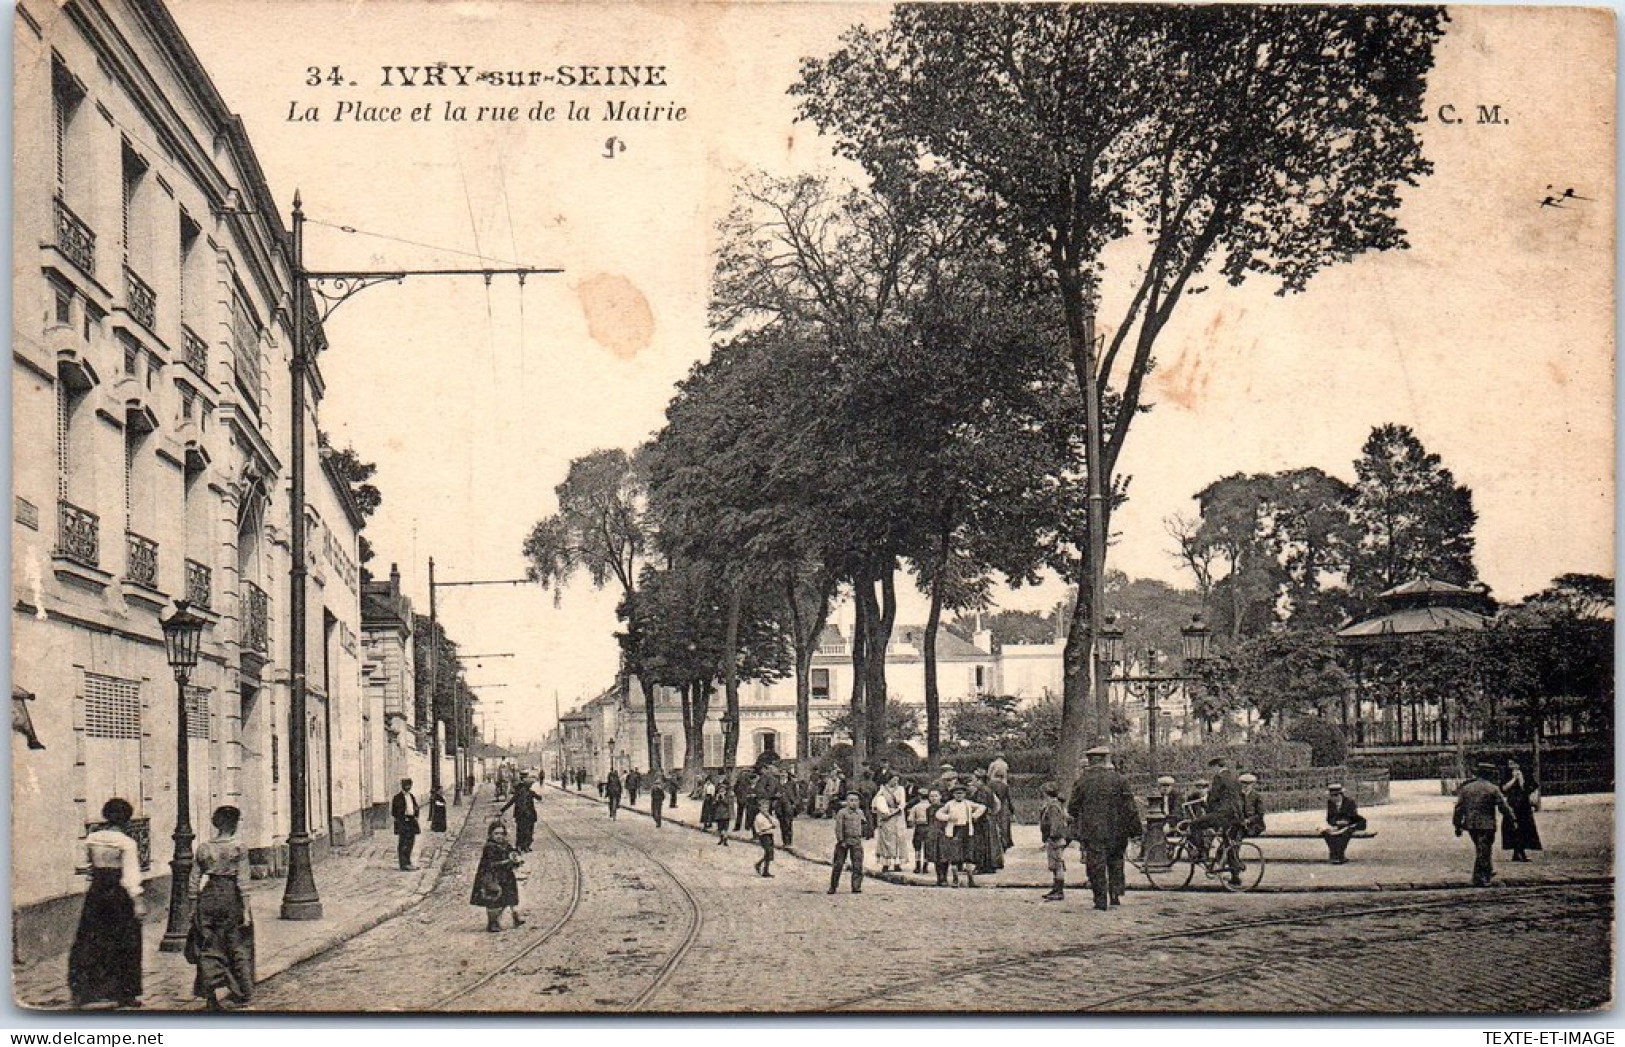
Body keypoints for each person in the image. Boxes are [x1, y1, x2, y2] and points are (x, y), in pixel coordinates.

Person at [68, 798, 144, 1010]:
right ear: (126, 819)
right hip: (118, 894)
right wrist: (137, 901)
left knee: (92, 939)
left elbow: (83, 865)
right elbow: (130, 875)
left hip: (97, 892)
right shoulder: (127, 843)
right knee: (125, 942)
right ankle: (124, 994)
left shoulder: (92, 839)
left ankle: (87, 991)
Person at [187, 805, 254, 1011]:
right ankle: (241, 992)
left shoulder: (204, 847)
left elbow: (194, 880)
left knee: (208, 945)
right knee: (236, 943)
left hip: (208, 896)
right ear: (233, 824)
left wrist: (192, 906)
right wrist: (246, 909)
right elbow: (243, 881)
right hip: (230, 896)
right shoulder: (238, 847)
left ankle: (210, 994)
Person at [1068, 746, 1141, 910]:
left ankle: (1100, 900)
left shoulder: (1082, 781)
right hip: (1117, 830)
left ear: (1090, 761)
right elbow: (1131, 808)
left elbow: (1072, 807)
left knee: (1096, 864)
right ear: (1105, 760)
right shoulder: (1119, 779)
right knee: (1115, 861)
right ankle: (1115, 895)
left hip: (1093, 831)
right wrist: (1136, 831)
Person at [1456, 761, 1516, 887]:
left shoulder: (1467, 788)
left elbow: (1459, 808)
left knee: (1481, 849)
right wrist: (1512, 819)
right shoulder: (1492, 789)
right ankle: (1479, 878)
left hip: (1471, 825)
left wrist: (1457, 825)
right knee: (1484, 850)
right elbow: (1503, 807)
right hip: (1487, 825)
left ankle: (1488, 871)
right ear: (1489, 775)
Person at [1186, 758, 1242, 881]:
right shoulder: (1234, 777)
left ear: (1217, 766)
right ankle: (1235, 876)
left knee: (1195, 824)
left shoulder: (1219, 778)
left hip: (1222, 814)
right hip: (1235, 816)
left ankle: (1201, 852)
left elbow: (1213, 798)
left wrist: (1207, 805)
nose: (1211, 771)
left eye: (1212, 768)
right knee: (1228, 843)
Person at [470, 821, 525, 932]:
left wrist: (516, 858)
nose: (499, 836)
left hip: (506, 876)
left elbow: (512, 854)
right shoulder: (489, 847)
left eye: (501, 833)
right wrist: (507, 861)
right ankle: (492, 922)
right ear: (490, 834)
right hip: (492, 877)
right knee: (494, 900)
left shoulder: (506, 845)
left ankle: (515, 916)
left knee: (510, 897)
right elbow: (491, 864)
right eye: (496, 833)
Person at [934, 782, 988, 888]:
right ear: (953, 794)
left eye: (961, 793)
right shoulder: (950, 804)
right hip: (954, 831)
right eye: (957, 793)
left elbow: (982, 807)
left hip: (967, 830)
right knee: (955, 856)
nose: (959, 795)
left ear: (965, 794)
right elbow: (938, 814)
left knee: (968, 856)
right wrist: (948, 817)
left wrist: (974, 815)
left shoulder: (968, 803)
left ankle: (971, 879)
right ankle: (955, 879)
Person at [1501, 758, 1542, 862]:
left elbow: (1530, 787)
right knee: (1513, 828)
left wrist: (1521, 780)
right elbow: (1503, 788)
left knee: (1524, 827)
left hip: (1523, 804)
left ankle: (1521, 851)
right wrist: (1514, 779)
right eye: (1509, 764)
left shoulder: (1526, 774)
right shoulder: (1506, 775)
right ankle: (1517, 851)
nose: (1510, 765)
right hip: (1512, 804)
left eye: (1512, 763)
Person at [1037, 781, 1071, 902]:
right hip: (1054, 839)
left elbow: (1055, 825)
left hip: (1055, 839)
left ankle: (1059, 890)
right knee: (1055, 865)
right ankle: (1056, 888)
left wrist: (1051, 837)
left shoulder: (1053, 807)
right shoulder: (1055, 805)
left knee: (1057, 865)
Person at [871, 771, 909, 873]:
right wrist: (883, 810)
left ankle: (897, 864)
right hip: (886, 817)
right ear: (888, 779)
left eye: (897, 780)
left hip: (897, 816)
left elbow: (902, 804)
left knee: (898, 838)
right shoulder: (883, 789)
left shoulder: (901, 789)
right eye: (894, 780)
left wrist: (894, 812)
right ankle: (886, 863)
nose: (896, 782)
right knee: (886, 839)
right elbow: (875, 802)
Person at [969, 770, 1005, 875]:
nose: (972, 782)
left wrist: (974, 817)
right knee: (990, 842)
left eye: (973, 779)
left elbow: (982, 806)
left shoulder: (982, 791)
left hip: (983, 820)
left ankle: (982, 866)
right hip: (988, 818)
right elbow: (997, 804)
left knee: (982, 842)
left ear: (979, 780)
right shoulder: (987, 789)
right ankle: (990, 865)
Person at [1320, 783, 1367, 864]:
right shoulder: (1330, 803)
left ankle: (1339, 854)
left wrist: (1345, 822)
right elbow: (1329, 818)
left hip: (1352, 824)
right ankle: (1334, 853)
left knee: (1345, 833)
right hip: (1337, 826)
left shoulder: (1349, 802)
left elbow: (1353, 816)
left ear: (1338, 795)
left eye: (1332, 796)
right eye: (1330, 796)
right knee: (1326, 833)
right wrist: (1335, 822)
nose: (1331, 798)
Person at [830, 792, 866, 894]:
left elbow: (863, 824)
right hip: (844, 841)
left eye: (856, 801)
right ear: (847, 802)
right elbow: (838, 827)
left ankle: (856, 886)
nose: (854, 803)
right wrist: (841, 840)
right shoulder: (842, 813)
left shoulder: (860, 813)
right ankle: (833, 886)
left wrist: (862, 834)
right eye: (851, 800)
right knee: (838, 864)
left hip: (856, 841)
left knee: (858, 865)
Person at [499, 772, 541, 852]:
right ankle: (524, 846)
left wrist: (503, 810)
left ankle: (521, 846)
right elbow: (539, 798)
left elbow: (511, 802)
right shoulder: (529, 792)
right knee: (528, 831)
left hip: (521, 815)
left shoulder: (520, 792)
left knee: (521, 831)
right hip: (528, 815)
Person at [391, 778, 420, 871]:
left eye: (410, 785)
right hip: (403, 822)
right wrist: (402, 818)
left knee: (411, 842)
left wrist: (415, 815)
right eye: (406, 785)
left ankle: (408, 862)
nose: (408, 787)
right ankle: (403, 864)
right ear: (402, 786)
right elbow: (394, 812)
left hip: (411, 821)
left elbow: (415, 806)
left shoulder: (411, 796)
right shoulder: (397, 797)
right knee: (403, 843)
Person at [988, 763, 1016, 853]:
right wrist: (1012, 811)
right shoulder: (1005, 786)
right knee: (1004, 827)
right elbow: (1008, 799)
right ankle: (1004, 844)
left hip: (993, 806)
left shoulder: (990, 784)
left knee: (994, 825)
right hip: (1003, 807)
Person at [907, 788, 933, 874]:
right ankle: (925, 867)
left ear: (919, 797)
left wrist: (913, 823)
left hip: (919, 827)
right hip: (929, 827)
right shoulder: (931, 806)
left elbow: (910, 819)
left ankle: (917, 866)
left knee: (917, 847)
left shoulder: (916, 807)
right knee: (927, 847)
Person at [753, 804, 779, 877]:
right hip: (763, 835)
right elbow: (762, 827)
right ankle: (764, 869)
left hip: (770, 834)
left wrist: (770, 818)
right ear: (760, 808)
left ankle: (761, 866)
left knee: (769, 853)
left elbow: (776, 823)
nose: (765, 809)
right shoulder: (758, 817)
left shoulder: (769, 816)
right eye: (763, 807)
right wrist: (770, 826)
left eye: (766, 807)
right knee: (768, 851)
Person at [1239, 773, 1267, 838]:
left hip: (1254, 825)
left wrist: (1249, 820)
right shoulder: (1238, 795)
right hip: (1241, 825)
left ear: (1252, 785)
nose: (1245, 786)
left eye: (1248, 784)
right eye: (1243, 783)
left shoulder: (1256, 796)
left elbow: (1260, 813)